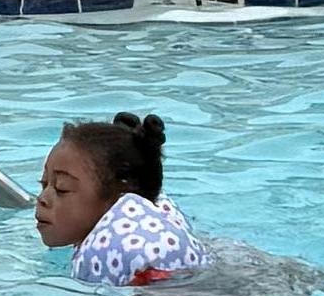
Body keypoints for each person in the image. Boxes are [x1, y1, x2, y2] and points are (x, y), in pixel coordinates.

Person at [34, 109, 200, 286]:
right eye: (44, 184)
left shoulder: (112, 249)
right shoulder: (158, 218)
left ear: (117, 198)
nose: (42, 198)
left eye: (62, 189)